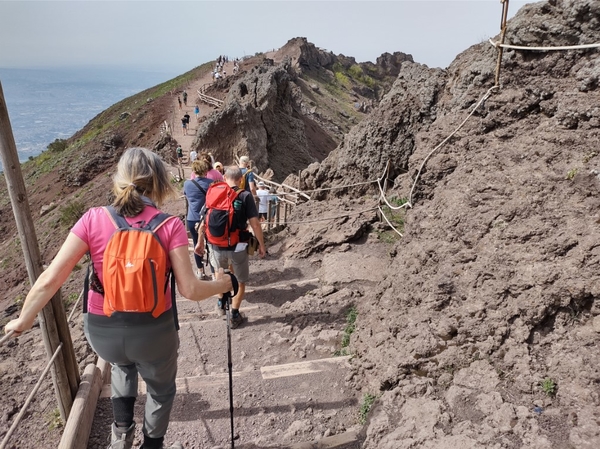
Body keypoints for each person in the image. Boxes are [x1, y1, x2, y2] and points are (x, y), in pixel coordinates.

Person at [4, 147, 233, 449]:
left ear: (119, 180)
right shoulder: (170, 225)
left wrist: (24, 318)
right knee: (160, 391)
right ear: (159, 183)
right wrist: (222, 284)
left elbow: (50, 279)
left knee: (122, 367)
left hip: (103, 331)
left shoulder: (93, 219)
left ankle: (120, 435)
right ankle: (151, 446)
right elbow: (189, 290)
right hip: (154, 331)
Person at [195, 166, 266, 329]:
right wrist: (261, 245)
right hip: (238, 247)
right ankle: (234, 314)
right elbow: (255, 224)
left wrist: (199, 242)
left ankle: (221, 302)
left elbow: (203, 221)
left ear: (224, 177)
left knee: (219, 274)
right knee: (241, 281)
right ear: (241, 180)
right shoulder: (245, 195)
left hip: (215, 245)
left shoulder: (213, 191)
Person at [183, 159, 213, 280]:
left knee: (196, 244)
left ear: (194, 171)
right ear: (205, 170)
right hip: (207, 218)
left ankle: (200, 271)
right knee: (211, 244)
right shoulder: (211, 183)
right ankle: (213, 271)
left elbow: (186, 195)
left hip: (191, 218)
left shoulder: (187, 184)